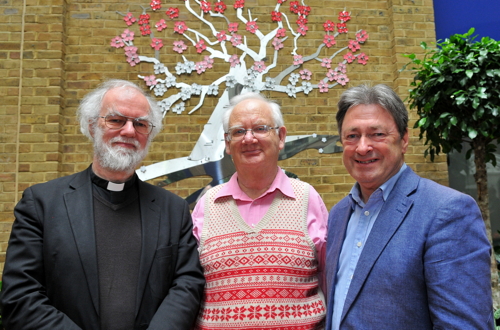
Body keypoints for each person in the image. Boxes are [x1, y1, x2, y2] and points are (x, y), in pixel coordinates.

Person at [0, 79, 205, 330]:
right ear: (91, 126)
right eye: (116, 120)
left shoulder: (173, 209)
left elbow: (187, 284)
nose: (129, 131)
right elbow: (21, 296)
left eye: (140, 123)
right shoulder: (42, 203)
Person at [325, 84, 494, 329]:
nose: (362, 147)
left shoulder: (447, 211)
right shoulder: (339, 214)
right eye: (352, 136)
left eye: (377, 134)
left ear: (404, 140)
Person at [191, 92, 328, 329]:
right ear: (227, 143)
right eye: (238, 131)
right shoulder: (207, 205)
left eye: (260, 128)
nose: (249, 139)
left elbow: (329, 280)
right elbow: (190, 287)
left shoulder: (307, 198)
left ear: (281, 136)